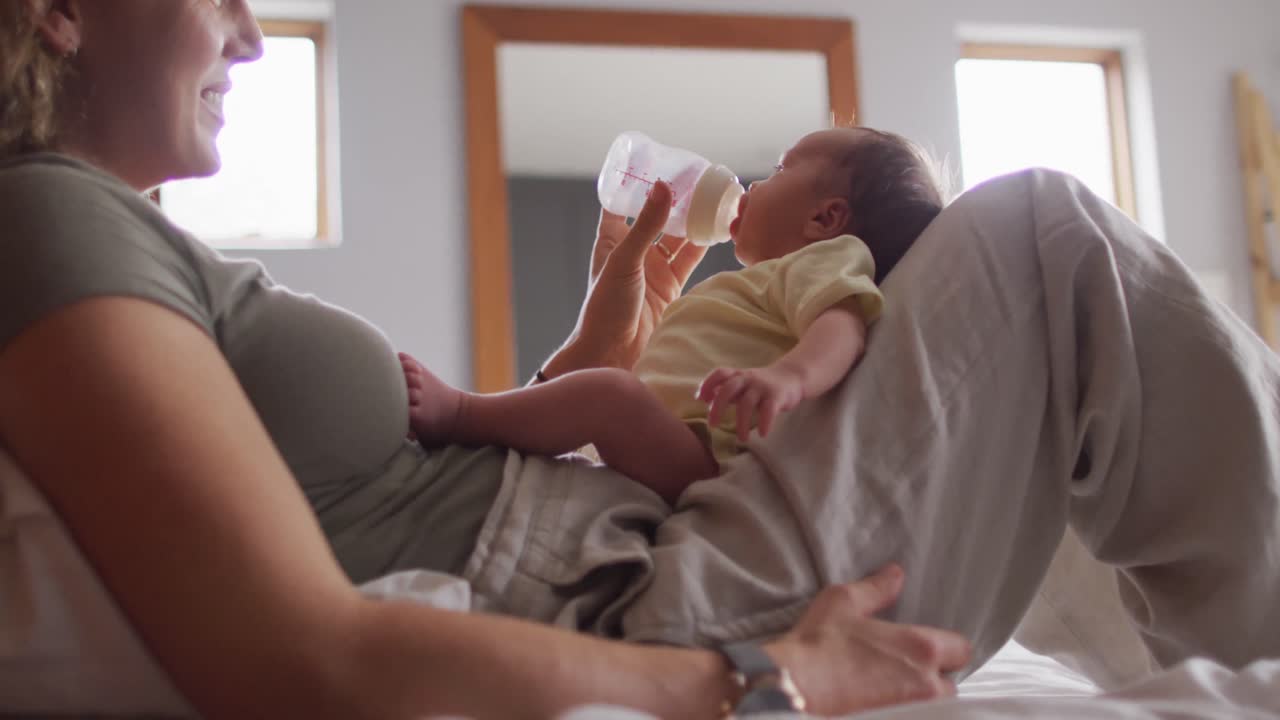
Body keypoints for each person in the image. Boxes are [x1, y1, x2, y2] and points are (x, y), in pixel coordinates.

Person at [0, 1, 970, 717]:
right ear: (60, 10)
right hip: (622, 589)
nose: (249, 35)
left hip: (623, 546)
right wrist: (767, 682)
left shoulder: (97, 232)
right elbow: (300, 655)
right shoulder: (48, 219)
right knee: (1027, 226)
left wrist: (597, 353)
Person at [401, 127, 942, 505]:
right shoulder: (759, 286)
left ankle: (464, 414)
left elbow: (842, 326)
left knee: (609, 395)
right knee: (606, 402)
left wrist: (789, 378)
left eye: (782, 169)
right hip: (674, 445)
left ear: (825, 218)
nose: (755, 184)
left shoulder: (825, 261)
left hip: (708, 460)